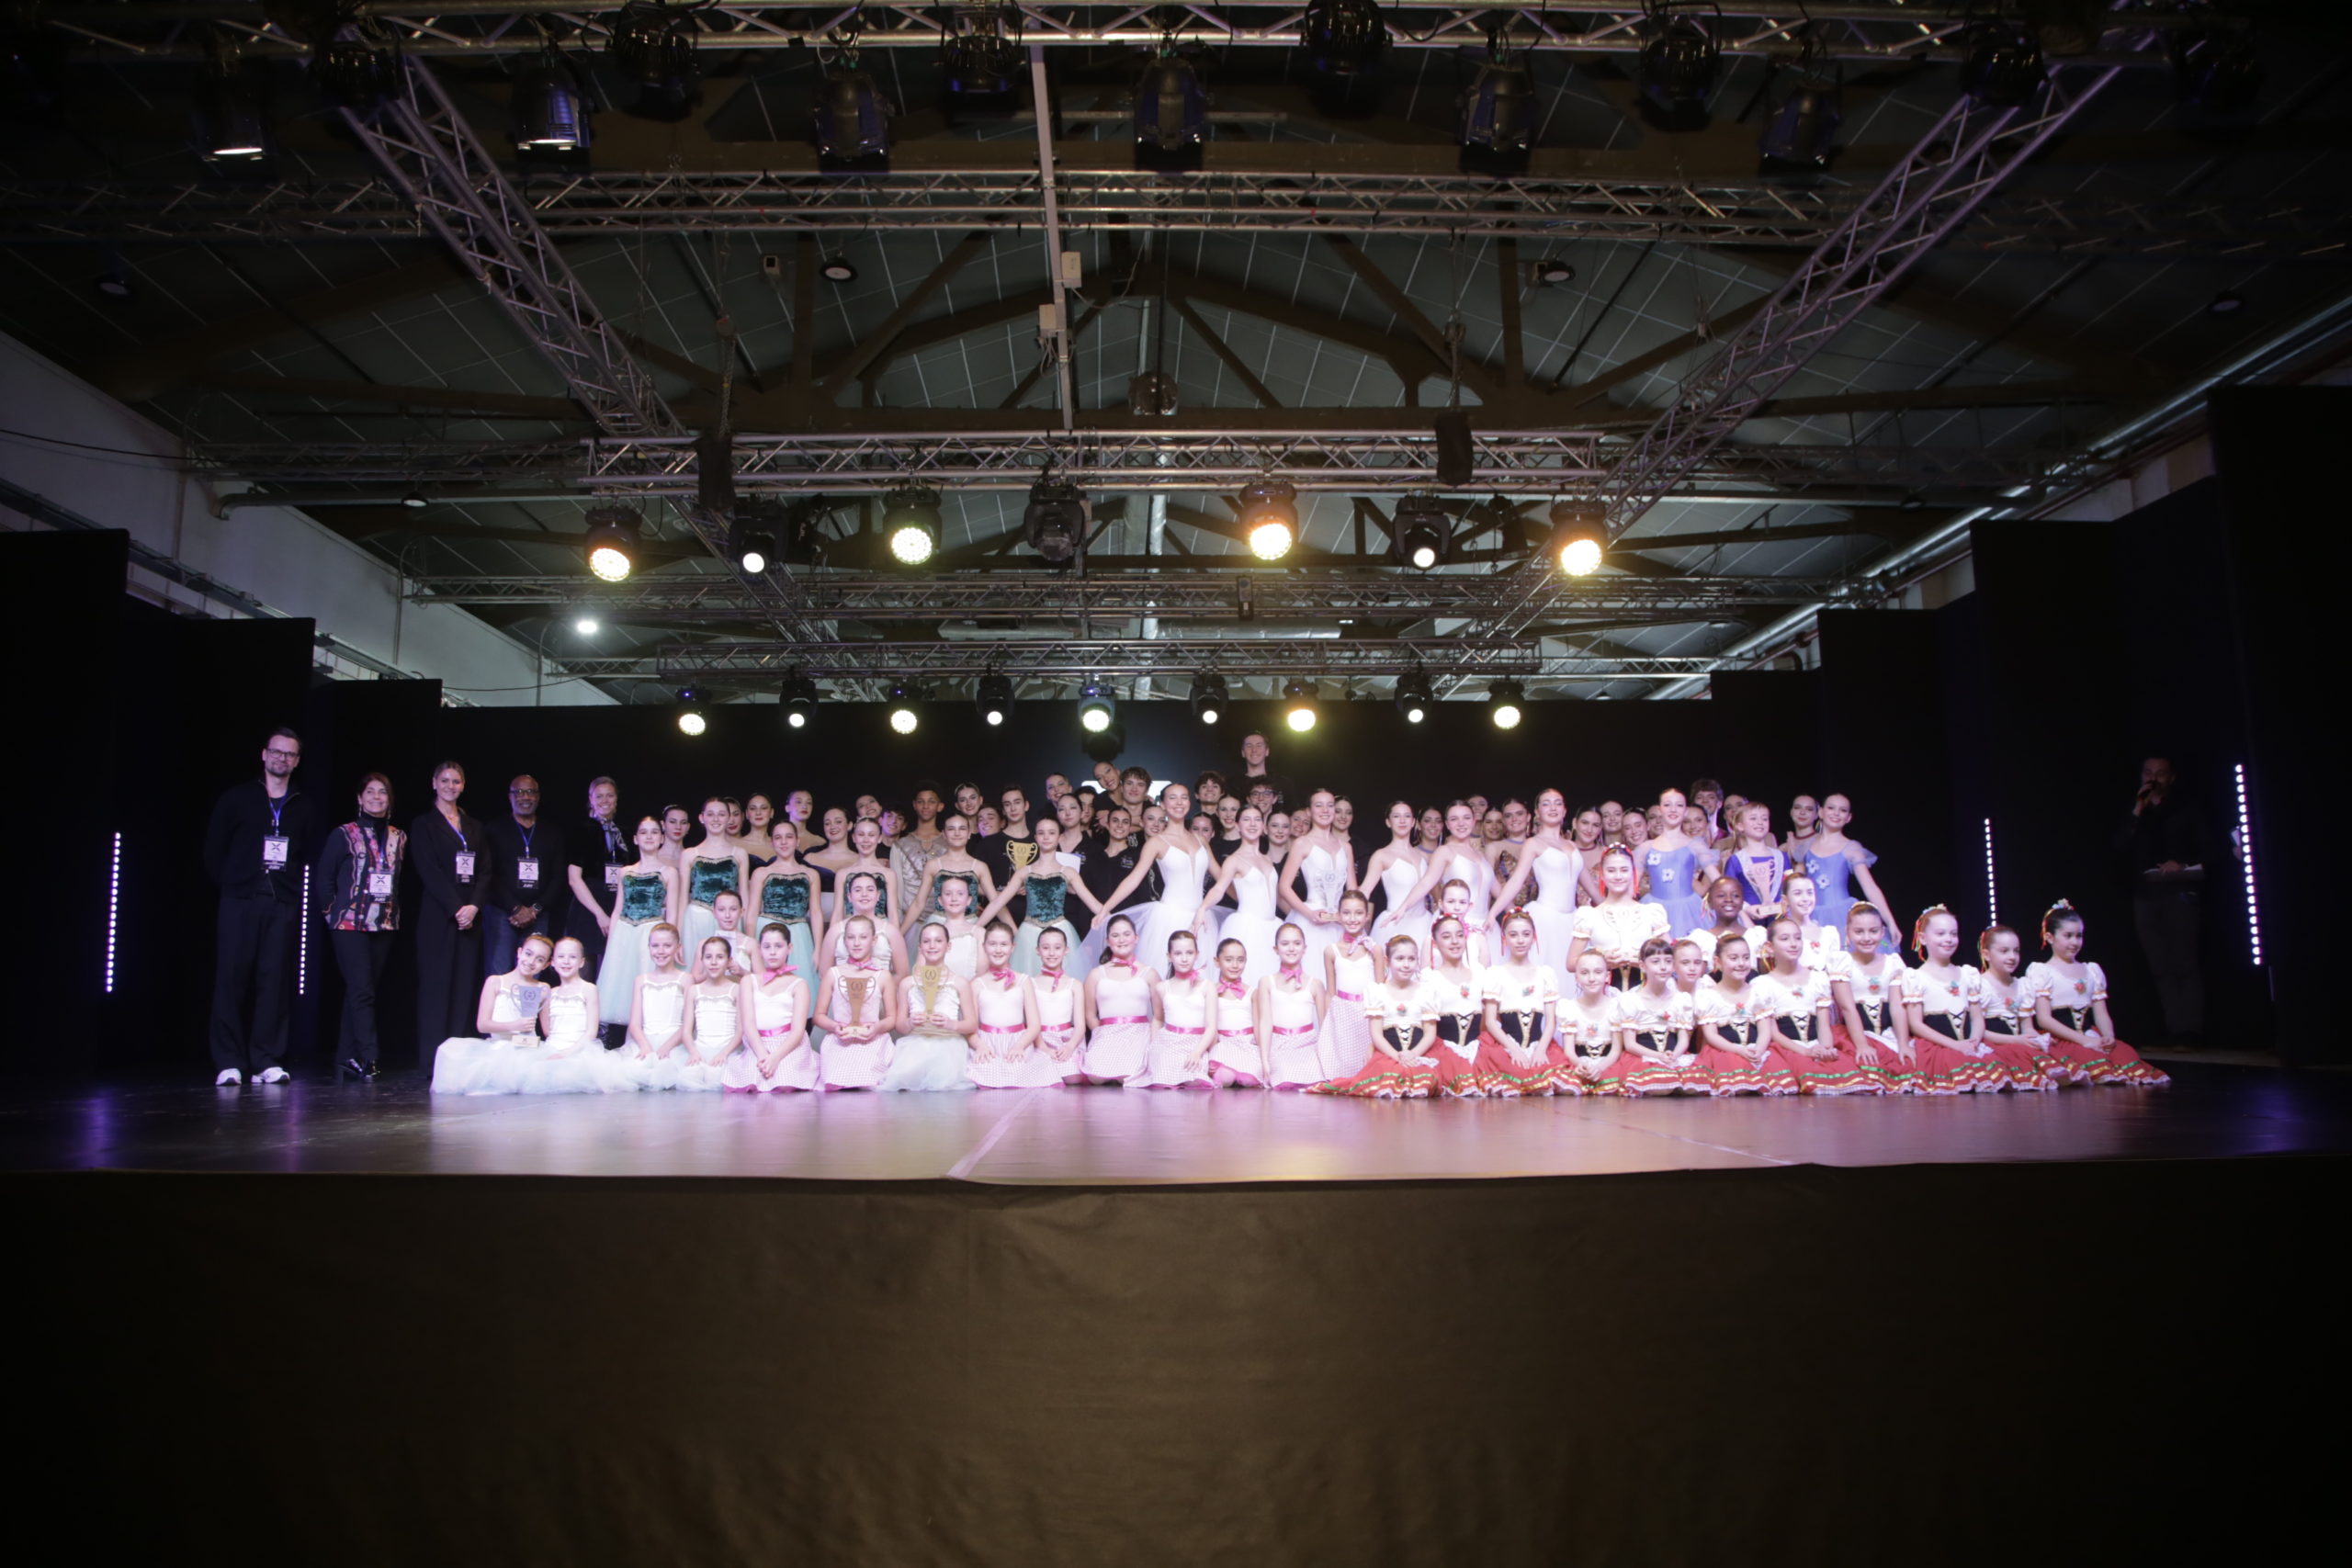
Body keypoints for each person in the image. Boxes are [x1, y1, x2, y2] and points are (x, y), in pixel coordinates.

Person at [202, 727, 317, 1086]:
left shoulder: (303, 806)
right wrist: (234, 883)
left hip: (281, 903)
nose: (282, 758)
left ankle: (267, 1059)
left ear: (297, 761)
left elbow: (307, 854)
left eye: (290, 754)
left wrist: (291, 889)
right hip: (240, 901)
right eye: (277, 752)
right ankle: (228, 1061)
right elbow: (213, 849)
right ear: (264, 755)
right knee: (231, 980)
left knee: (275, 982)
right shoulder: (237, 798)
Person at [2116, 756, 2212, 1044]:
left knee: (2184, 962)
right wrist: (2137, 809)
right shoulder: (2137, 811)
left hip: (2179, 892)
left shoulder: (2186, 808)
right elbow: (2119, 847)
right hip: (2146, 895)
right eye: (2148, 772)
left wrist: (2182, 864)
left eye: (2159, 773)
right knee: (2159, 966)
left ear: (2171, 777)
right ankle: (2173, 1029)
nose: (2153, 778)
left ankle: (2191, 1031)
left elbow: (2209, 849)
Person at [315, 772, 403, 1080]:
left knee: (361, 991)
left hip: (384, 923)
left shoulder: (398, 837)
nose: (377, 797)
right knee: (362, 990)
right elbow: (324, 878)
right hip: (349, 924)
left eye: (383, 792)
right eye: (370, 792)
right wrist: (332, 913)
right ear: (359, 798)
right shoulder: (344, 834)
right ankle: (369, 1057)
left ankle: (345, 1056)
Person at [2026, 902, 2170, 1088]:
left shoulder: (2092, 970)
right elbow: (2044, 1019)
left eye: (2079, 935)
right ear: (2049, 937)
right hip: (2062, 1039)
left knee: (2123, 1055)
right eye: (2068, 936)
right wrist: (2084, 1040)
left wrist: (2108, 1035)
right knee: (2087, 1059)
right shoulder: (2042, 972)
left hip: (2090, 1035)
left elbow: (2101, 1013)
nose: (2074, 942)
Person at [412, 760, 491, 1075]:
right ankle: (432, 1062)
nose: (450, 786)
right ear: (434, 783)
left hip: (471, 917)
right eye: (444, 780)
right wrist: (456, 908)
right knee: (436, 987)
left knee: (463, 987)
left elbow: (485, 871)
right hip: (439, 915)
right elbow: (428, 870)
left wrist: (473, 907)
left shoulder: (474, 826)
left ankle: (455, 1063)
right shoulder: (424, 824)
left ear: (463, 786)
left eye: (456, 781)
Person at [1751, 917, 1884, 1096]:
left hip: (1816, 1046)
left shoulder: (1817, 979)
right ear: (1769, 946)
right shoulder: (1762, 984)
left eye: (1797, 938)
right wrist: (1805, 1052)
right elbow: (1773, 1033)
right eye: (1785, 939)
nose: (1793, 944)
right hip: (1788, 1048)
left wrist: (1825, 1048)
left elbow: (1823, 1024)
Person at [1898, 907, 2021, 1094]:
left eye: (1953, 934)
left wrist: (1974, 1041)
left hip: (1968, 1045)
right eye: (1941, 934)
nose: (1948, 939)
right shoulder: (1916, 978)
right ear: (1922, 938)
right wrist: (1955, 1045)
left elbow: (1977, 1017)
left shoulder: (1968, 974)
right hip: (1938, 1048)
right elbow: (1915, 1024)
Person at [978, 816, 1105, 978]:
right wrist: (975, 927)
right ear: (1035, 837)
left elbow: (1094, 904)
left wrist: (1116, 921)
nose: (1046, 837)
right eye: (1041, 833)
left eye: (1051, 833)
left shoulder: (1068, 872)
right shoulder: (1024, 872)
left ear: (1059, 837)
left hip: (1059, 930)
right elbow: (998, 902)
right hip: (1029, 933)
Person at [430, 932, 554, 1095]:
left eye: (539, 959)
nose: (531, 962)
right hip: (500, 1047)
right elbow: (482, 1025)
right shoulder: (496, 982)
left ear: (546, 965)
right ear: (519, 952)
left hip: (529, 1048)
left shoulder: (543, 988)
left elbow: (547, 1029)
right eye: (528, 954)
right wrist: (514, 1025)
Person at [1315, 935, 1437, 1099]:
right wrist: (1399, 1058)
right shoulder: (1378, 993)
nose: (1406, 964)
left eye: (1411, 959)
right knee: (1389, 1079)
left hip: (1418, 1054)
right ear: (1387, 961)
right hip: (1390, 1055)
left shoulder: (1425, 991)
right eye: (1400, 959)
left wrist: (1413, 1055)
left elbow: (1430, 1032)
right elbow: (1376, 1034)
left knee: (1426, 1079)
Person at [599, 817, 682, 1032]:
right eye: (644, 832)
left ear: (662, 838)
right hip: (624, 931)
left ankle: (645, 1031)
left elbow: (672, 912)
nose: (649, 837)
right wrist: (612, 940)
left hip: (650, 932)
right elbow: (617, 909)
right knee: (621, 983)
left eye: (654, 832)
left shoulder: (669, 872)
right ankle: (619, 1037)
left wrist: (671, 943)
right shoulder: (625, 872)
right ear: (635, 839)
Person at [1488, 789, 1582, 976]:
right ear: (1537, 812)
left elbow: (1591, 888)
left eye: (1558, 803)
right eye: (1546, 804)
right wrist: (1493, 913)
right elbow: (1516, 880)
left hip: (1572, 919)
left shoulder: (1572, 845)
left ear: (1564, 810)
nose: (1553, 808)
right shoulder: (1533, 843)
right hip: (1546, 917)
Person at [484, 775, 568, 981]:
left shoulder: (552, 832)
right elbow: (488, 874)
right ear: (510, 797)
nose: (525, 797)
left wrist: (534, 910)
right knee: (499, 972)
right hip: (502, 914)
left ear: (538, 797)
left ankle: (528, 1007)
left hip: (538, 915)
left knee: (532, 974)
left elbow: (558, 877)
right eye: (519, 792)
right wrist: (515, 908)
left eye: (531, 792)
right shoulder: (494, 830)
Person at [1693, 933, 1797, 1096]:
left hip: (1755, 1050)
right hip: (1725, 1052)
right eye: (1734, 958)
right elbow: (1711, 1035)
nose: (1741, 963)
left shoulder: (1758, 993)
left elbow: (1765, 1030)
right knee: (1739, 1084)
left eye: (1746, 958)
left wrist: (1759, 1050)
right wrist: (1738, 1050)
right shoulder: (1708, 996)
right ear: (1718, 962)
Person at [881, 922, 978, 1091]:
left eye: (938, 941)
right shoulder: (907, 984)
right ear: (920, 947)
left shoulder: (959, 983)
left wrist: (951, 1024)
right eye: (926, 941)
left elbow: (971, 1024)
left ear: (948, 946)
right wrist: (910, 1022)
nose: (932, 946)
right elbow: (900, 1026)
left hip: (948, 1045)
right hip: (915, 1045)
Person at [723, 923, 819, 1093]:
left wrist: (775, 1057)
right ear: (760, 949)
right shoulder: (749, 981)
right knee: (753, 1080)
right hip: (758, 1043)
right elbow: (748, 1023)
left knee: (784, 1083)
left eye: (778, 946)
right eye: (767, 947)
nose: (772, 952)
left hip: (788, 1045)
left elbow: (798, 1030)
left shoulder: (799, 984)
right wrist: (762, 1055)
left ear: (789, 948)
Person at [1196, 805, 1283, 984]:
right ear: (1237, 826)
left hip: (1272, 926)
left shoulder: (1267, 859)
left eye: (1257, 819)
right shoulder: (1233, 860)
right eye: (1246, 819)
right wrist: (1203, 908)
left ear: (1263, 826)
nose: (1252, 824)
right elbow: (1219, 888)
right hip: (1248, 927)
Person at [1829, 905, 1912, 1093]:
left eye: (1873, 931)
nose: (1867, 938)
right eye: (1859, 932)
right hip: (1857, 1034)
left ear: (1882, 932)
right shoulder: (1843, 962)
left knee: (1906, 1061)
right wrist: (1862, 1045)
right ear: (1848, 932)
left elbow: (1897, 1007)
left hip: (1888, 1033)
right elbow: (1847, 1007)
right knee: (1862, 1064)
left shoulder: (1893, 963)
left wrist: (1903, 1043)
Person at [1977, 925, 2072, 1089]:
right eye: (2004, 951)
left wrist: (2035, 1038)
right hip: (1995, 1046)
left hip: (2019, 1045)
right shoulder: (1979, 985)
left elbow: (2027, 1026)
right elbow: (1978, 1030)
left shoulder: (2022, 985)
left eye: (2016, 951)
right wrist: (2015, 1040)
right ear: (1986, 954)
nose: (2012, 957)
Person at [1613, 937, 1710, 1096]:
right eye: (1656, 962)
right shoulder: (1631, 1000)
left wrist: (1674, 1056)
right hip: (1644, 1057)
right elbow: (1630, 1044)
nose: (1663, 967)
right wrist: (1658, 1056)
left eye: (1668, 961)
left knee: (1693, 1086)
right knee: (1660, 1087)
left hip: (1672, 1055)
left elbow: (1683, 1039)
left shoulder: (1680, 999)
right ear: (1643, 966)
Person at [1567, 846, 1671, 991]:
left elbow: (1671, 956)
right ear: (1602, 874)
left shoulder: (1651, 912)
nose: (1618, 876)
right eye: (1611, 871)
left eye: (1624, 870)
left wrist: (1646, 961)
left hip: (1646, 994)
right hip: (1604, 995)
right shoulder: (1590, 915)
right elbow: (1571, 963)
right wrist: (1601, 960)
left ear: (1632, 873)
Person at [971, 924, 1059, 1089]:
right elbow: (970, 1027)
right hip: (988, 1043)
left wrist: (1019, 1046)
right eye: (993, 944)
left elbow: (1034, 1025)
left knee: (1022, 1072)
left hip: (1018, 1041)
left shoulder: (1023, 981)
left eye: (1004, 944)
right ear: (984, 947)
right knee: (982, 1072)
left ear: (1012, 947)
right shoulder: (977, 984)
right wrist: (980, 1045)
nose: (998, 950)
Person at [815, 914, 896, 1090]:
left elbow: (892, 1018)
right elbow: (819, 1016)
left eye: (863, 937)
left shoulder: (883, 976)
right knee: (836, 1082)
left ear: (874, 940)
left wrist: (876, 1028)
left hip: (872, 1041)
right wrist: (835, 1027)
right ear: (844, 941)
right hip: (840, 1040)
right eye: (851, 937)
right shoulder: (833, 973)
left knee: (869, 1082)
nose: (856, 943)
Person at [1129, 930, 1216, 1089]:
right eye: (1178, 953)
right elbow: (1158, 1019)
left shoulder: (1207, 986)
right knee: (1163, 1079)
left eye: (1189, 953)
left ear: (1197, 954)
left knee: (1194, 1080)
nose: (1184, 958)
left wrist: (1197, 1052)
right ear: (1169, 956)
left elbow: (1211, 1026)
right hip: (1168, 1043)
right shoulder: (1162, 987)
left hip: (1196, 1043)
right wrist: (1154, 1046)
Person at [1803, 794, 1894, 938]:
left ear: (1849, 817)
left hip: (1842, 917)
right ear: (1820, 812)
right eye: (1831, 808)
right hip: (1809, 915)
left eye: (1843, 810)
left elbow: (1870, 887)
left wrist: (1890, 921)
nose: (1836, 813)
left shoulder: (1851, 848)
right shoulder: (1806, 847)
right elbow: (1795, 883)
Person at [1080, 915, 1157, 1084]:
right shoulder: (1096, 974)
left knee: (1129, 1076)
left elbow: (1159, 1016)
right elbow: (1090, 1015)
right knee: (1096, 1077)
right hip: (1107, 1033)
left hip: (1138, 1035)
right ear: (1108, 941)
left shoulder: (1149, 973)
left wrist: (1152, 1041)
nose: (1121, 940)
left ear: (1136, 938)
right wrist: (1101, 1033)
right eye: (1115, 936)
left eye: (1126, 934)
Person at [565, 776, 628, 982]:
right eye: (599, 796)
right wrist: (600, 914)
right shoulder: (582, 830)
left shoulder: (622, 834)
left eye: (610, 795)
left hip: (615, 907)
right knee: (584, 973)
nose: (605, 800)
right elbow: (574, 879)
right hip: (589, 910)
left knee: (610, 976)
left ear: (616, 799)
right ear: (591, 799)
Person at [619, 922, 690, 1090]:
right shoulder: (641, 980)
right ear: (649, 947)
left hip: (674, 1044)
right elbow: (635, 1024)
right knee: (634, 1070)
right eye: (655, 946)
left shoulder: (685, 979)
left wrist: (666, 1047)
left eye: (667, 946)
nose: (660, 951)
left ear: (678, 947)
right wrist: (645, 1047)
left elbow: (688, 1024)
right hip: (646, 1041)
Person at [1317, 891, 1381, 1081]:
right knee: (1339, 1071)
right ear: (1338, 915)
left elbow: (1381, 991)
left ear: (1367, 916)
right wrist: (1326, 1028)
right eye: (1346, 913)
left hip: (1366, 1014)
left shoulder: (1374, 949)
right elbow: (1330, 992)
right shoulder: (1331, 951)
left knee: (1366, 1068)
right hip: (1342, 1014)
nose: (1352, 919)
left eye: (1358, 913)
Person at [749, 821, 823, 978]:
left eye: (789, 837)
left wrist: (818, 948)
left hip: (799, 934)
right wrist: (750, 946)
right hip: (768, 930)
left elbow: (816, 913)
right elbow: (752, 912)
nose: (783, 842)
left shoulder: (811, 874)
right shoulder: (761, 873)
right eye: (778, 837)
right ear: (772, 842)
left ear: (797, 841)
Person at [1636, 787, 1713, 937]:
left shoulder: (1695, 846)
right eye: (1667, 805)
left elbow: (1718, 880)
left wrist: (1742, 908)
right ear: (1659, 810)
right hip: (1654, 910)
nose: (1673, 809)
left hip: (1689, 911)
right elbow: (1630, 887)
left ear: (1685, 810)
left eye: (1679, 805)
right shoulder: (1646, 848)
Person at [1555, 951, 1634, 1096]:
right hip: (1580, 1063)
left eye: (1598, 972)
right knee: (1567, 1087)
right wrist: (1581, 1065)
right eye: (1585, 973)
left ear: (1607, 976)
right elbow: (1569, 1050)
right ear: (1576, 977)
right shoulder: (1569, 1008)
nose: (1591, 978)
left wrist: (1599, 1068)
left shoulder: (1616, 1007)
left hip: (1608, 1064)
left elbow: (1616, 1050)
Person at [679, 797, 749, 956]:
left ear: (729, 818)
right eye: (710, 814)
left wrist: (746, 931)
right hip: (696, 918)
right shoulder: (689, 854)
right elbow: (682, 898)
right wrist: (678, 936)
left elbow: (744, 896)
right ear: (701, 817)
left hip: (729, 919)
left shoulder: (739, 854)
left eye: (721, 814)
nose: (716, 819)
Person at [904, 813, 999, 929]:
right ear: (944, 834)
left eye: (962, 829)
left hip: (970, 924)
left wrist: (1014, 930)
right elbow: (918, 904)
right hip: (939, 924)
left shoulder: (980, 866)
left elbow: (996, 903)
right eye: (951, 829)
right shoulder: (933, 865)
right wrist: (900, 933)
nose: (957, 833)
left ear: (969, 833)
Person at [676, 937, 745, 1092]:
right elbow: (686, 1031)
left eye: (720, 957)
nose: (713, 962)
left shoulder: (736, 989)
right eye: (708, 957)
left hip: (727, 1050)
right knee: (692, 1076)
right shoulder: (694, 990)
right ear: (702, 960)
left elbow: (741, 1030)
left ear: (729, 960)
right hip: (700, 1049)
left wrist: (724, 1053)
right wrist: (694, 1052)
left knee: (719, 1076)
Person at [1204, 938, 1268, 1089]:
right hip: (1223, 1044)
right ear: (1217, 961)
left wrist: (1263, 1054)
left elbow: (1258, 1026)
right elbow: (1209, 1025)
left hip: (1246, 1043)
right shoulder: (1210, 990)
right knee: (1225, 1078)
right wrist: (1210, 1052)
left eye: (1240, 960)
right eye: (1228, 960)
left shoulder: (1252, 992)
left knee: (1250, 1079)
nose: (1235, 965)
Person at [820, 871, 910, 976]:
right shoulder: (835, 931)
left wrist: (884, 986)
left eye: (870, 890)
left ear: (878, 895)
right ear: (849, 896)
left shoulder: (891, 932)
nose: (864, 894)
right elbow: (824, 973)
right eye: (858, 890)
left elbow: (902, 973)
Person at [1030, 929, 1088, 1085]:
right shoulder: (1030, 984)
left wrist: (1069, 1047)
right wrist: (1043, 1047)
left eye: (1057, 948)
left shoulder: (1075, 984)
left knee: (1072, 1077)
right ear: (1038, 950)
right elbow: (1030, 1023)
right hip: (1039, 1039)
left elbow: (1080, 1025)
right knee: (1041, 1073)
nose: (1051, 953)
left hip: (1066, 1040)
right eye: (1045, 947)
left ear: (1066, 950)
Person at [1721, 802, 1789, 927]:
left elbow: (1790, 886)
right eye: (1753, 818)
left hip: (1780, 920)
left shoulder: (1782, 857)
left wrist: (1784, 903)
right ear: (1740, 826)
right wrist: (1747, 909)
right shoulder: (1736, 860)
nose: (1760, 822)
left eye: (1764, 819)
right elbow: (1729, 893)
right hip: (1749, 922)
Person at [980, 784, 1039, 921]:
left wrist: (1035, 886)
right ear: (1003, 811)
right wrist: (998, 894)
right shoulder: (988, 843)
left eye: (1017, 802)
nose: (1013, 808)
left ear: (1026, 805)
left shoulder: (1040, 841)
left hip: (1034, 919)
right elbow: (971, 882)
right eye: (1007, 804)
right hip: (997, 919)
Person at [1235, 730, 1293, 809]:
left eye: (1259, 745)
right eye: (1249, 746)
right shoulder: (1233, 785)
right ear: (1243, 753)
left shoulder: (1283, 783)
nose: (1254, 750)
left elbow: (1293, 812)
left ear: (1267, 751)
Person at [1783, 795, 1822, 859]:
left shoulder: (1823, 841)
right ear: (1791, 812)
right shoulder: (1784, 847)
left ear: (1816, 815)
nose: (1802, 812)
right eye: (1797, 808)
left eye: (1809, 809)